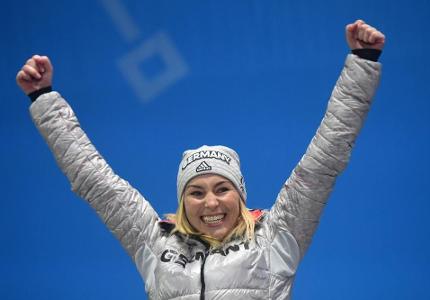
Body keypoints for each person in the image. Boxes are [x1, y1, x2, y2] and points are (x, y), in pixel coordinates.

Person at [16, 19, 385, 300]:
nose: (210, 202)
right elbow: (94, 180)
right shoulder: (155, 243)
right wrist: (43, 97)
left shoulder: (273, 239)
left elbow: (325, 159)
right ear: (182, 200)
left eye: (222, 188)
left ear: (239, 194)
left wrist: (362, 61)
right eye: (196, 192)